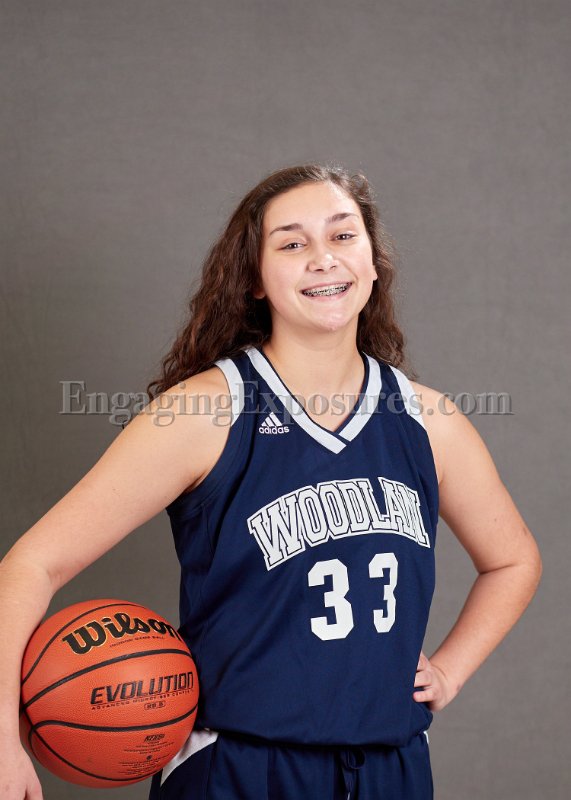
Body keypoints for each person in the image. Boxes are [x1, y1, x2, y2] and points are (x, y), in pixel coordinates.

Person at [0, 163, 542, 800]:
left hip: (390, 767)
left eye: (343, 235)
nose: (323, 258)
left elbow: (514, 561)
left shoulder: (429, 421)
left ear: (373, 262)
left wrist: (449, 671)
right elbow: (32, 563)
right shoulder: (205, 413)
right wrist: (2, 736)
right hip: (239, 767)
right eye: (291, 243)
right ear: (254, 279)